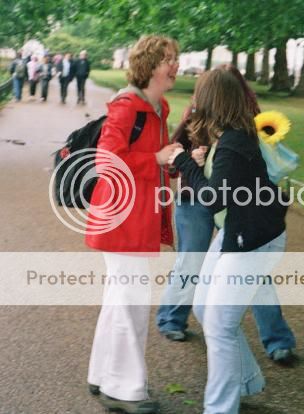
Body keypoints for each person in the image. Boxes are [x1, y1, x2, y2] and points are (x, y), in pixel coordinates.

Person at [156, 64, 296, 364]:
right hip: (196, 199)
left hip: (233, 207)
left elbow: (250, 165)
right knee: (192, 260)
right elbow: (173, 158)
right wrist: (191, 159)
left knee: (251, 272)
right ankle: (172, 317)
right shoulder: (197, 114)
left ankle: (276, 340)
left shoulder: (245, 122)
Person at [85, 35, 181, 414]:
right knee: (131, 305)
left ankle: (103, 375)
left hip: (137, 219)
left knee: (119, 302)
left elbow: (152, 160)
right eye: (168, 59)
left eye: (175, 58)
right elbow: (105, 161)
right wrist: (155, 158)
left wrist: (172, 160)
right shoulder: (128, 106)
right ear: (150, 65)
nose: (175, 65)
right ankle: (123, 389)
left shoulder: (158, 106)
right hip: (122, 220)